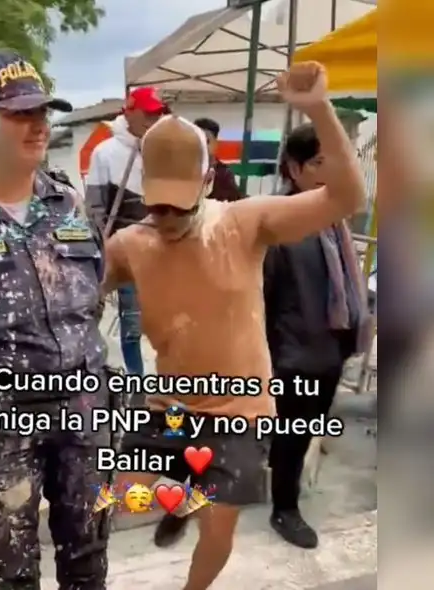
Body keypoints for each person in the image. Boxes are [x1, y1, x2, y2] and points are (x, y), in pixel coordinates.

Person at [102, 62, 366, 590]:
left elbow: (347, 199)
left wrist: (317, 108)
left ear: (206, 181)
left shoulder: (243, 223)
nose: (167, 216)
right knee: (116, 502)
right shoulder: (129, 245)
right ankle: (178, 497)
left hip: (238, 411)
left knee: (218, 527)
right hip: (170, 406)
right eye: (157, 204)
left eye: (179, 204)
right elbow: (73, 300)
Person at [0, 50, 110, 589]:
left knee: (89, 553)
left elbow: (93, 296)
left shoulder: (68, 204)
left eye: (43, 113)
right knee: (12, 566)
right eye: (20, 114)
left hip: (83, 407)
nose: (39, 125)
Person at [262, 123, 371, 548]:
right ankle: (284, 508)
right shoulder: (280, 223)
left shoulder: (332, 218)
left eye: (335, 162)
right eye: (320, 163)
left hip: (330, 347)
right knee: (292, 433)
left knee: (306, 428)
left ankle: (282, 479)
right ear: (295, 168)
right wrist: (272, 359)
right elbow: (263, 298)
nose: (331, 172)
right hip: (295, 352)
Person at [84, 86, 168, 376]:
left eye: (158, 114)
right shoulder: (105, 153)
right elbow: (95, 209)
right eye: (148, 113)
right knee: (130, 324)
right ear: (130, 112)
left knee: (164, 323)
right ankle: (134, 380)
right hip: (124, 252)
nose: (153, 120)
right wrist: (100, 254)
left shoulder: (163, 148)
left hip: (161, 251)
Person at [193, 117, 244, 202]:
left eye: (207, 141)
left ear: (215, 144)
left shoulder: (224, 175)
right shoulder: (185, 171)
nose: (202, 146)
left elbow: (235, 200)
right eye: (197, 141)